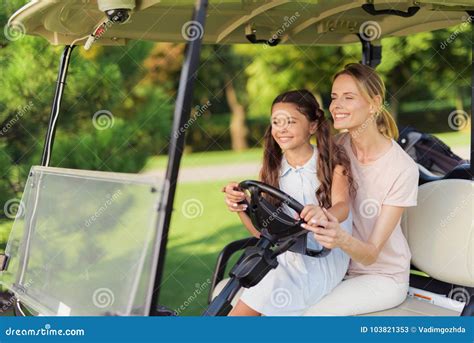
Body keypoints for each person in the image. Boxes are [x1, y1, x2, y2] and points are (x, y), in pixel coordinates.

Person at [223, 89, 354, 316]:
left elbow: (342, 207)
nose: (282, 128)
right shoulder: (272, 169)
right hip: (285, 256)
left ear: (312, 126)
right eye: (276, 122)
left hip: (321, 258)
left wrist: (323, 213)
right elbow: (260, 233)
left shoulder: (332, 164)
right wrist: (242, 207)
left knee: (262, 289)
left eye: (291, 121)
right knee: (253, 281)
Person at [303, 63, 419, 316]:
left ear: (374, 103)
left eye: (348, 97)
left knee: (311, 316)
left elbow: (371, 254)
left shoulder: (402, 169)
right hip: (335, 266)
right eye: (334, 97)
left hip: (382, 276)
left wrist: (340, 238)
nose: (336, 106)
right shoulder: (336, 148)